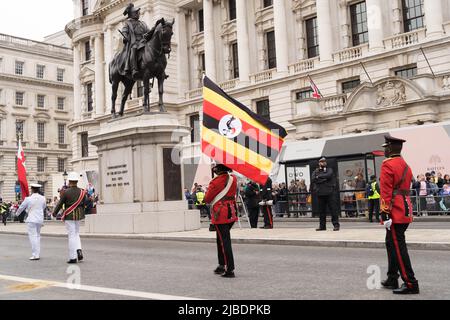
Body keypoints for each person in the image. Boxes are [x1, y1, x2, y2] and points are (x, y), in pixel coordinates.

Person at [379, 135, 419, 294]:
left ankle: (410, 282)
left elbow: (386, 190)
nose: (384, 150)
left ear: (390, 148)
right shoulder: (406, 165)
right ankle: (392, 278)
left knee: (398, 246)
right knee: (391, 243)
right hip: (405, 208)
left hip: (394, 209)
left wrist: (385, 212)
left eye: (386, 147)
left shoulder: (387, 165)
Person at [204, 163, 238, 278]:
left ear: (218, 170)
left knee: (224, 241)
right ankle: (221, 265)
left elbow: (207, 199)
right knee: (221, 239)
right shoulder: (233, 179)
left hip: (221, 214)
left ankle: (229, 268)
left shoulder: (215, 182)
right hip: (231, 212)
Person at [53, 172, 88, 264]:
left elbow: (60, 204)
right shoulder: (82, 191)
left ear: (69, 181)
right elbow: (84, 203)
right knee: (76, 234)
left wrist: (54, 212)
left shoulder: (65, 192)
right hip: (79, 215)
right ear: (77, 181)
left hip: (69, 215)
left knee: (71, 235)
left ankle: (73, 257)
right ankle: (79, 251)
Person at [15, 183, 46, 260]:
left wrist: (17, 214)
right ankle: (37, 254)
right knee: (38, 236)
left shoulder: (28, 199)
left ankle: (35, 254)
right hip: (39, 219)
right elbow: (44, 207)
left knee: (33, 237)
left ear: (32, 189)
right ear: (38, 190)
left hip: (31, 219)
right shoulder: (43, 198)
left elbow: (21, 207)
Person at [121, 3, 151, 79]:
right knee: (134, 48)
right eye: (137, 12)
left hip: (143, 41)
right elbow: (124, 31)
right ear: (132, 14)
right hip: (134, 42)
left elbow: (148, 31)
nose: (138, 14)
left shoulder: (142, 23)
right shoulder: (128, 23)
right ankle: (134, 69)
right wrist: (125, 37)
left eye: (138, 12)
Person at [312, 157, 340, 231]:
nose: (323, 163)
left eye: (324, 161)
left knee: (333, 210)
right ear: (319, 163)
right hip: (320, 193)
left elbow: (329, 175)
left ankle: (336, 225)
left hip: (330, 192)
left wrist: (319, 177)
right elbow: (313, 179)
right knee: (321, 211)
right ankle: (322, 226)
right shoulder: (315, 171)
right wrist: (323, 179)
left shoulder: (329, 169)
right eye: (321, 162)